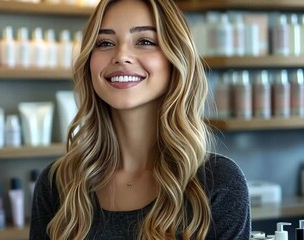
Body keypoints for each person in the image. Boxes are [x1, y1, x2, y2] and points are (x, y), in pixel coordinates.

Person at [30, 0, 251, 239]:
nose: (121, 56)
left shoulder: (217, 183)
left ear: (175, 58)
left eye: (145, 41)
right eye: (105, 43)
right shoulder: (57, 183)